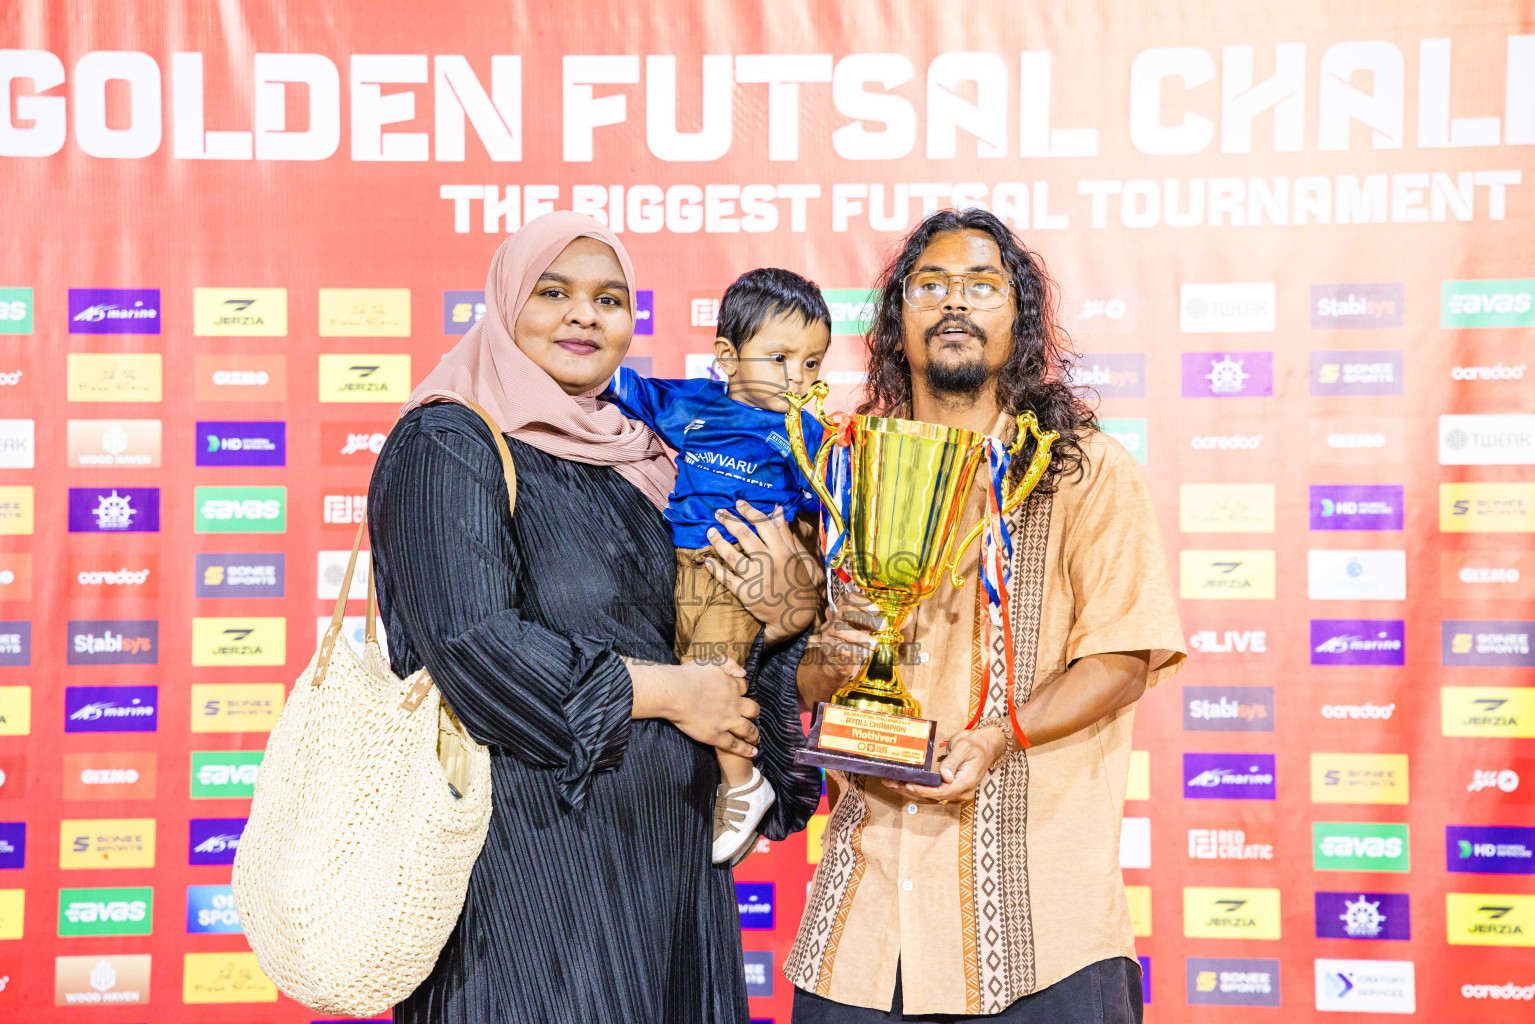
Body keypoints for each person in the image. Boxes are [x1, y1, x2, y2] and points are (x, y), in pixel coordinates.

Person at [366, 211, 822, 1024]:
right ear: (507, 305)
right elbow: (474, 647)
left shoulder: (647, 455)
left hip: (675, 879)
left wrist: (786, 617)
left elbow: (716, 655)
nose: (584, 315)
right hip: (529, 888)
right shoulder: (449, 441)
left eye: (608, 299)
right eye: (554, 293)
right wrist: (670, 694)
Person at [787, 208, 1186, 1024]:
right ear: (898, 317)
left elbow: (1122, 658)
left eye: (981, 284)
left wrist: (998, 732)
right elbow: (797, 674)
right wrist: (833, 642)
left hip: (1040, 929)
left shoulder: (1082, 469)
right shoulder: (839, 467)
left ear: (1020, 316)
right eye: (928, 285)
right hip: (862, 929)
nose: (953, 303)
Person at [603, 267, 832, 864]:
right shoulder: (690, 405)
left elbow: (825, 517)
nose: (797, 376)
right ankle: (716, 786)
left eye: (812, 363)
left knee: (715, 677)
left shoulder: (806, 435)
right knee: (681, 672)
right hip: (673, 566)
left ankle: (744, 785)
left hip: (738, 573)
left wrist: (803, 575)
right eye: (779, 357)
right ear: (728, 356)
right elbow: (618, 385)